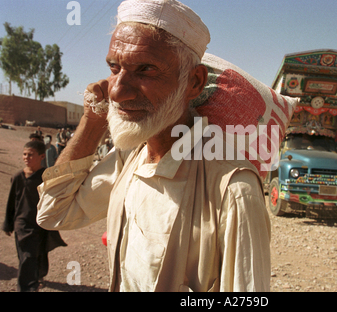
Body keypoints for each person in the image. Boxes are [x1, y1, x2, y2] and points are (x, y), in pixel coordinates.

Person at [37, 0, 270, 292]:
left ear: (194, 82)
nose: (118, 91)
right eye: (114, 67)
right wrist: (92, 122)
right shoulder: (131, 156)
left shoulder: (232, 190)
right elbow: (53, 212)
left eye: (145, 70)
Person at [2, 141, 66, 292]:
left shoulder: (46, 177)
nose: (26, 158)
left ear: (42, 156)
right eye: (24, 154)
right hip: (22, 225)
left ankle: (36, 277)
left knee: (39, 254)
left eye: (30, 154)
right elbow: (12, 201)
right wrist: (8, 223)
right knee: (26, 256)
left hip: (41, 224)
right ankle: (26, 287)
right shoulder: (18, 177)